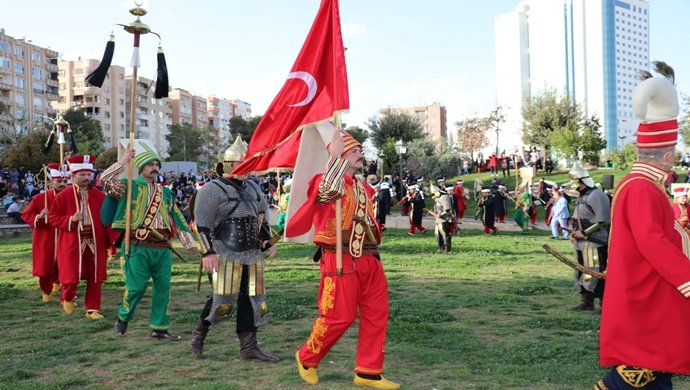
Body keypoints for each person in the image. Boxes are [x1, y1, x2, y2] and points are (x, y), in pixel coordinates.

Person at [596, 63, 687, 388]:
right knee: (646, 367)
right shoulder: (641, 188)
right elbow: (653, 242)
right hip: (647, 292)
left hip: (647, 287)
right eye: (673, 154)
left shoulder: (640, 186)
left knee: (656, 372)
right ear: (665, 157)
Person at [286, 130, 399, 389]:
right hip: (339, 258)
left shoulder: (362, 186)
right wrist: (334, 157)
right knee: (339, 316)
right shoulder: (323, 180)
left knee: (376, 314)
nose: (361, 154)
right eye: (354, 151)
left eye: (360, 150)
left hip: (369, 258)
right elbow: (327, 192)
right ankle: (306, 358)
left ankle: (368, 372)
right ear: (339, 154)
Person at [188, 135, 278, 362]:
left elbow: (261, 220)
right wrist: (208, 253)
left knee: (253, 298)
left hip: (251, 253)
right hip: (223, 251)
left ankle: (249, 348)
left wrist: (267, 242)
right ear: (229, 164)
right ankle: (199, 335)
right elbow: (202, 225)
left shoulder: (254, 189)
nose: (249, 167)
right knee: (223, 298)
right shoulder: (211, 189)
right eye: (242, 162)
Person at [100, 144, 196, 340]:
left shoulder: (166, 193)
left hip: (162, 248)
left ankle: (159, 327)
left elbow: (177, 218)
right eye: (150, 164)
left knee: (163, 288)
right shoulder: (128, 186)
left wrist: (189, 242)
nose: (154, 168)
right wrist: (124, 160)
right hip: (137, 246)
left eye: (156, 164)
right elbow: (105, 180)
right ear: (141, 167)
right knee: (136, 288)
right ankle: (123, 316)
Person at [48, 155, 109, 319]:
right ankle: (67, 297)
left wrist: (112, 241)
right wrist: (70, 220)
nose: (86, 178)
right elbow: (53, 218)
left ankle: (92, 309)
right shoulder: (63, 196)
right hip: (72, 241)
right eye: (82, 175)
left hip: (95, 241)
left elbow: (107, 219)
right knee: (70, 275)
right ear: (73, 176)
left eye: (89, 175)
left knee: (95, 276)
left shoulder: (100, 196)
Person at [21, 163, 69, 302]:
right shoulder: (40, 199)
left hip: (65, 236)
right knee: (44, 266)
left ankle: (65, 292)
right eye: (59, 181)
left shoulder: (71, 197)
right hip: (45, 237)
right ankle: (46, 290)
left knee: (66, 264)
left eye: (65, 181)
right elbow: (26, 215)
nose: (62, 184)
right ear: (52, 181)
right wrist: (40, 216)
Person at [566, 163, 610, 314]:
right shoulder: (582, 196)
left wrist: (585, 233)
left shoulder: (596, 195)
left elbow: (603, 220)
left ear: (582, 181)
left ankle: (605, 304)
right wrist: (575, 231)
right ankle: (586, 301)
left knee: (596, 272)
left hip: (594, 242)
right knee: (583, 271)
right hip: (583, 243)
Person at [432, 187, 454, 253]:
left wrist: (440, 214)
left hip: (445, 219)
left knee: (445, 234)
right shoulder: (437, 198)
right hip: (438, 220)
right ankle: (441, 248)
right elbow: (437, 208)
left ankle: (447, 249)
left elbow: (447, 209)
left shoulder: (444, 197)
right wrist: (436, 213)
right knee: (438, 235)